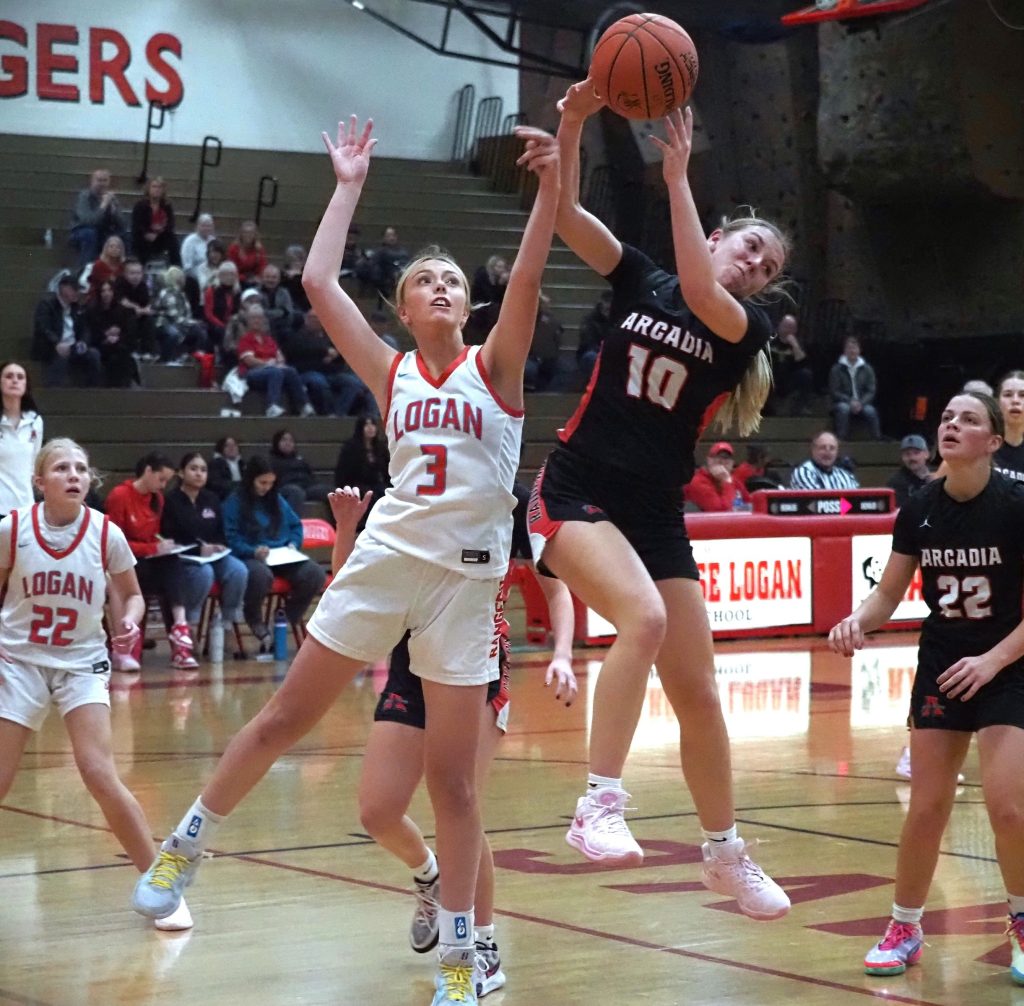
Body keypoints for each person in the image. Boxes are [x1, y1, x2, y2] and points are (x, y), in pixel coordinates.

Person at [132, 113, 559, 1006]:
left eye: (452, 280)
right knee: (285, 716)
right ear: (402, 309)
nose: (441, 286)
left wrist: (552, 184)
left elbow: (526, 273)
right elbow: (319, 281)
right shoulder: (391, 370)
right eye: (424, 280)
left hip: (467, 586)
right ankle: (185, 846)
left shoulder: (497, 368)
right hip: (389, 559)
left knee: (454, 787)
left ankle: (462, 960)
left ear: (468, 307)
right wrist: (348, 187)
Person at [526, 81, 790, 921]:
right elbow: (567, 215)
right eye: (750, 247)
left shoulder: (743, 330)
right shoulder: (642, 278)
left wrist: (677, 179)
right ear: (717, 236)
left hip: (651, 511)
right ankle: (598, 804)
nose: (755, 266)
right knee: (641, 619)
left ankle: (725, 854)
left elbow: (705, 294)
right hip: (575, 487)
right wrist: (572, 123)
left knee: (699, 693)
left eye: (768, 269)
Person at [327, 486, 576, 996]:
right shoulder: (410, 495)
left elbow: (557, 589)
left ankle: (482, 947)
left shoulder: (509, 503)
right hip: (411, 666)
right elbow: (349, 586)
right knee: (378, 811)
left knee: (462, 805)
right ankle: (430, 875)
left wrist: (563, 654)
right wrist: (347, 527)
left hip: (476, 667)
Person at [829, 390, 1024, 984]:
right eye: (946, 417)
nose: (951, 425)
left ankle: (1021, 923)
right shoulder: (918, 508)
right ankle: (904, 927)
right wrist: (858, 620)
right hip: (942, 663)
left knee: (1009, 808)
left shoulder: (1016, 504)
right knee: (926, 808)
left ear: (993, 441)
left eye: (969, 419)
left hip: (1008, 664)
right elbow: (890, 592)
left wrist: (991, 662)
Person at [0, 438, 192, 932]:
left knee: (99, 773)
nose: (74, 475)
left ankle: (161, 884)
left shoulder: (106, 533)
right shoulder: (12, 529)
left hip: (81, 663)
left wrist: (128, 618)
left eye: (81, 469)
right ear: (39, 482)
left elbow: (132, 595)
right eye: (62, 468)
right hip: (18, 662)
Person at [103, 452, 203, 671]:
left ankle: (180, 630)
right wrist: (153, 548)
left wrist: (162, 545)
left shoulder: (157, 498)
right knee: (165, 573)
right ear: (148, 471)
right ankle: (131, 647)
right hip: (125, 564)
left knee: (173, 564)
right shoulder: (120, 495)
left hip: (148, 562)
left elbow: (151, 536)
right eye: (161, 479)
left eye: (167, 481)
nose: (163, 485)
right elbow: (114, 544)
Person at [220, 455, 324, 644]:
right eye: (262, 482)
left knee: (315, 574)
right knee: (261, 576)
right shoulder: (234, 502)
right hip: (251, 555)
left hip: (281, 554)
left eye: (270, 483)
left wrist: (293, 544)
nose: (266, 487)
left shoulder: (276, 499)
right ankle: (254, 618)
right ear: (251, 479)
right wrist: (252, 551)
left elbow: (295, 525)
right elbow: (231, 538)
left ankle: (285, 616)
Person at [160, 452, 248, 630]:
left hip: (212, 556)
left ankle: (227, 622)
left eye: (203, 470)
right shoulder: (170, 501)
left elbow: (220, 532)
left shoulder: (211, 499)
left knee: (238, 570)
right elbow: (168, 537)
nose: (199, 474)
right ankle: (190, 622)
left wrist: (219, 545)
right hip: (184, 558)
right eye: (193, 469)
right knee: (204, 574)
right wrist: (197, 550)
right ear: (181, 473)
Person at [283, 307, 370, 416]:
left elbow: (341, 357)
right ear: (306, 319)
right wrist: (324, 352)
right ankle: (327, 413)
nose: (315, 321)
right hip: (307, 373)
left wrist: (335, 355)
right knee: (319, 382)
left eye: (318, 318)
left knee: (353, 383)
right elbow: (301, 350)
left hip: (330, 373)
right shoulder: (296, 336)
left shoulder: (329, 337)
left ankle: (338, 414)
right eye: (312, 318)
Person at [237, 304, 315, 419]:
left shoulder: (268, 339)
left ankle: (304, 405)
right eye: (253, 318)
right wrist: (268, 364)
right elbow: (249, 360)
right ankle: (272, 406)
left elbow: (280, 357)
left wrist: (279, 363)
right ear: (248, 321)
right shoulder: (245, 339)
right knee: (275, 372)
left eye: (259, 318)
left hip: (271, 370)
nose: (257, 321)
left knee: (290, 371)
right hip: (252, 373)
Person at [30, 272, 102, 388]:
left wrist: (83, 342)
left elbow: (85, 329)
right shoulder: (47, 305)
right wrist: (56, 343)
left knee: (93, 354)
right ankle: (54, 390)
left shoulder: (77, 308)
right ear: (63, 288)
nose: (77, 293)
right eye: (74, 289)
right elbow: (44, 328)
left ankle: (92, 389)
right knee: (60, 356)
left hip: (73, 347)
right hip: (52, 347)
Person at [0, 361, 43, 520]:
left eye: (20, 377)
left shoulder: (35, 421)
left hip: (25, 507)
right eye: (9, 376)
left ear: (26, 384)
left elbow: (34, 464)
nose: (15, 380)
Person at [332, 413, 390, 528]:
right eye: (366, 425)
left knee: (384, 492)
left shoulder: (380, 447)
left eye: (373, 424)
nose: (370, 428)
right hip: (356, 484)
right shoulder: (351, 447)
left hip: (375, 484)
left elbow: (386, 471)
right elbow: (343, 474)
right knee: (369, 494)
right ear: (360, 428)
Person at [84, 279, 138, 388]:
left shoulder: (123, 311)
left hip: (120, 345)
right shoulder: (92, 311)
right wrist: (106, 335)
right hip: (100, 345)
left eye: (109, 290)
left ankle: (124, 387)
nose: (106, 294)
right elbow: (90, 333)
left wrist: (118, 338)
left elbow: (130, 333)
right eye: (103, 291)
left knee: (122, 354)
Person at [68, 169, 126, 267]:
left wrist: (114, 211)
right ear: (92, 181)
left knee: (123, 236)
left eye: (105, 180)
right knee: (90, 233)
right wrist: (103, 206)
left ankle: (123, 269)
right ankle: (85, 269)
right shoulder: (84, 196)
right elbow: (88, 221)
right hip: (81, 231)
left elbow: (122, 224)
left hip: (103, 232)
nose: (102, 184)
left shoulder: (111, 198)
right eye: (99, 180)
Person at [828, 335, 882, 440]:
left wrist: (861, 403)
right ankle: (841, 439)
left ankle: (876, 439)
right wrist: (850, 401)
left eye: (854, 348)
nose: (852, 351)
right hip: (843, 402)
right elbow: (835, 391)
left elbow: (871, 391)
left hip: (862, 402)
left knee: (871, 411)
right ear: (844, 351)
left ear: (859, 350)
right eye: (849, 348)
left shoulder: (867, 369)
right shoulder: (836, 369)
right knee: (843, 409)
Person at [268, 429, 331, 513]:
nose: (288, 443)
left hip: (306, 487)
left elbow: (310, 475)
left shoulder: (300, 460)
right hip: (286, 488)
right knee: (296, 492)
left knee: (331, 492)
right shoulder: (272, 461)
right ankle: (290, 520)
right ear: (277, 443)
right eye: (284, 440)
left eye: (290, 440)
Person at [684, 441, 751, 512]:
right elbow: (720, 511)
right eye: (717, 457)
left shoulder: (734, 481)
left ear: (732, 463)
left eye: (726, 458)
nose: (722, 462)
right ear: (709, 460)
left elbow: (749, 503)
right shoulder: (697, 482)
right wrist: (727, 482)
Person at [768, 313, 814, 416]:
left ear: (795, 330)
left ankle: (801, 407)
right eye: (785, 326)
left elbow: (803, 363)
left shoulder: (798, 343)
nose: (788, 330)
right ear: (779, 326)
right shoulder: (770, 340)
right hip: (770, 378)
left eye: (791, 327)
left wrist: (795, 345)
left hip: (788, 379)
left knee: (806, 374)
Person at [130, 177, 181, 267]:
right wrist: (147, 233)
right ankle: (140, 267)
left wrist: (159, 232)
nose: (157, 189)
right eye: (154, 186)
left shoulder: (167, 206)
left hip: (160, 237)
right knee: (139, 241)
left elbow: (170, 224)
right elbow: (137, 224)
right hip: (143, 236)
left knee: (173, 239)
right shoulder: (140, 205)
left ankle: (177, 268)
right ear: (148, 189)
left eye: (159, 187)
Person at [789, 430, 860, 490]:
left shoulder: (845, 475)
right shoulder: (803, 472)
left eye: (832, 448)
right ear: (813, 450)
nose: (827, 452)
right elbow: (817, 500)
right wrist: (844, 501)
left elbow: (855, 499)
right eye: (823, 448)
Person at [576, 289, 613, 383]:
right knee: (592, 356)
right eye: (607, 302)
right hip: (593, 352)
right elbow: (588, 343)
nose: (608, 306)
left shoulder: (620, 319)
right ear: (601, 302)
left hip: (611, 352)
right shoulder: (590, 320)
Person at [886, 434, 933, 508]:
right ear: (902, 457)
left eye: (916, 453)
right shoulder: (896, 482)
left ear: (927, 454)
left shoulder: (937, 476)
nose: (912, 458)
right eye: (907, 454)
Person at [994, 371, 1024, 484]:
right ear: (997, 403)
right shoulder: (980, 446)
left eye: (1022, 395)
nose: (1015, 400)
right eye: (1008, 395)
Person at [227, 220, 268, 286]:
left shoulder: (259, 249)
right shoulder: (233, 248)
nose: (248, 235)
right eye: (245, 232)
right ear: (241, 234)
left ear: (255, 235)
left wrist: (257, 278)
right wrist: (244, 278)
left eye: (251, 233)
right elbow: (231, 268)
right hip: (237, 280)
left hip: (255, 281)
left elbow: (262, 267)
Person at [181, 214, 217, 280]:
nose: (206, 228)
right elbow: (187, 268)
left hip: (212, 275)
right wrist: (204, 277)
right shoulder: (189, 241)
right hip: (194, 278)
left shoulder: (213, 240)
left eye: (209, 226)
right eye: (203, 226)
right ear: (197, 226)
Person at [208, 436, 244, 500]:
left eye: (234, 445)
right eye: (227, 445)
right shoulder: (215, 464)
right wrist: (239, 485)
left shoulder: (242, 464)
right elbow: (216, 483)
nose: (232, 448)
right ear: (221, 449)